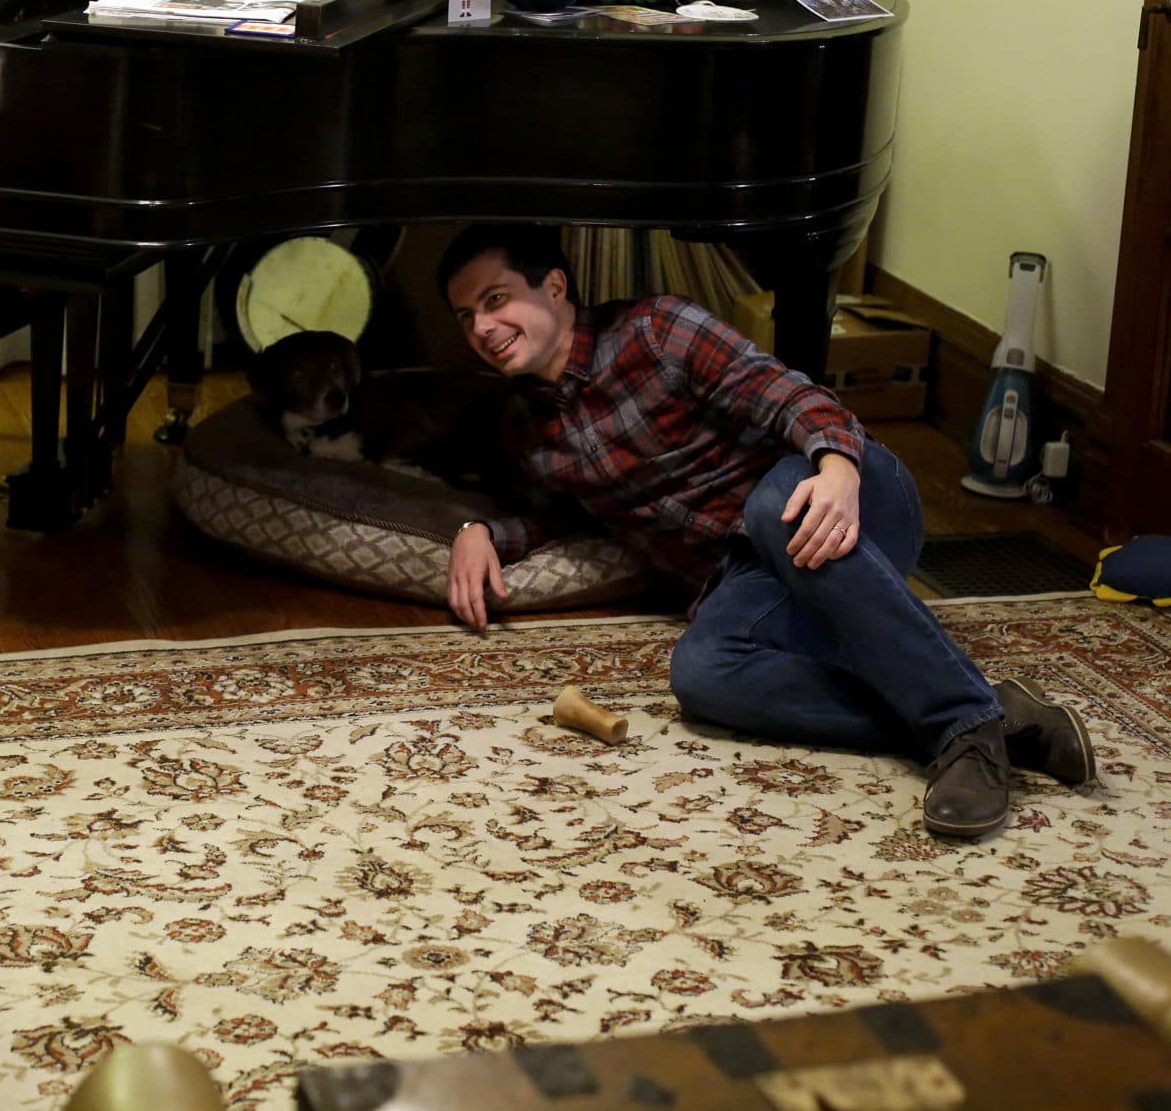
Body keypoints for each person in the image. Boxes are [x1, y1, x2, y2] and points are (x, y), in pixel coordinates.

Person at [436, 224, 1097, 839]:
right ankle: (996, 717)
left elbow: (786, 392)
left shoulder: (656, 329)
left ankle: (962, 720)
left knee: (773, 501)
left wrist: (836, 463)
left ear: (554, 286)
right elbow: (550, 514)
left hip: (849, 501)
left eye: (496, 299)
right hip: (752, 578)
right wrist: (480, 532)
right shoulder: (526, 424)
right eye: (466, 317)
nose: (483, 327)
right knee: (701, 673)